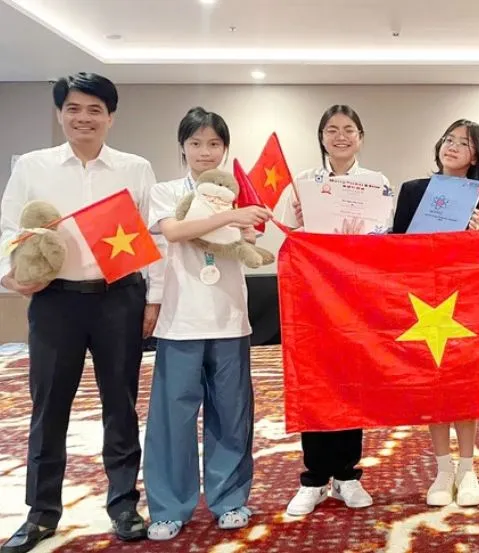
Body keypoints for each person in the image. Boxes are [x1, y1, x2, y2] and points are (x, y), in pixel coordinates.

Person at [0, 73, 164, 553]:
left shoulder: (134, 168)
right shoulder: (33, 166)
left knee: (121, 404)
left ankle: (122, 504)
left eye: (95, 109)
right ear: (60, 114)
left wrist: (152, 299)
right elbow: (10, 229)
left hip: (119, 297)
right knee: (49, 406)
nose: (84, 118)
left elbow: (150, 237)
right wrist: (11, 276)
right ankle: (41, 513)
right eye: (74, 108)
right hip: (55, 301)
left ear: (110, 117)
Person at [142, 107, 271, 540]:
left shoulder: (239, 193)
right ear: (182, 147)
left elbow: (247, 244)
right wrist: (231, 217)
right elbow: (174, 232)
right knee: (172, 418)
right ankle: (169, 506)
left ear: (225, 148)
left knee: (231, 415)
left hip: (229, 318)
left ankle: (230, 499)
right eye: (195, 143)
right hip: (180, 320)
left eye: (214, 143)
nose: (204, 151)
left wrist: (249, 225)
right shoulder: (164, 191)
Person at [279, 104, 386, 516]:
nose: (341, 136)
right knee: (315, 380)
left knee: (351, 381)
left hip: (355, 294)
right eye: (332, 130)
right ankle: (314, 478)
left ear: (360, 136)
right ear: (321, 137)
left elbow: (383, 237)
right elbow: (287, 238)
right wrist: (303, 220)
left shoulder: (376, 182)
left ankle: (346, 475)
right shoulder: (301, 184)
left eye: (349, 129)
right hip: (311, 295)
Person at [390, 119, 479, 507]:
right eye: (448, 139)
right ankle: (443, 469)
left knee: (464, 382)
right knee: (434, 383)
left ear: (475, 155)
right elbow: (397, 247)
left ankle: (468, 469)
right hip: (423, 297)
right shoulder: (414, 190)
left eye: (462, 143)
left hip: (468, 298)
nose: (451, 147)